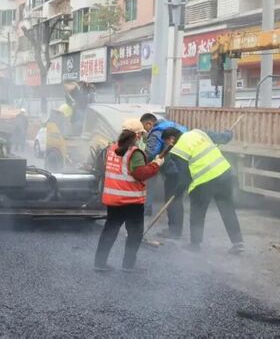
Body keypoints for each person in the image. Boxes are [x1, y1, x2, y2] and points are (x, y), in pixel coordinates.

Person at [94, 118, 163, 273]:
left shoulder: (111, 149)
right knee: (134, 234)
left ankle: (99, 263)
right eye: (141, 135)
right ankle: (128, 265)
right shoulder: (135, 153)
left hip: (113, 200)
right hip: (132, 201)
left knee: (109, 231)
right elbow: (140, 174)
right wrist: (156, 164)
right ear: (137, 136)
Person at [161, 127, 244, 254]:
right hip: (224, 173)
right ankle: (238, 243)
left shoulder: (177, 149)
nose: (168, 146)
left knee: (198, 212)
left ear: (171, 139)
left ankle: (195, 245)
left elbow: (184, 177)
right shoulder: (198, 133)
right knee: (227, 208)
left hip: (204, 180)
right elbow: (223, 138)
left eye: (167, 143)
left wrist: (177, 193)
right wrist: (228, 133)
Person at [140, 113, 188, 238]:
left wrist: (140, 159)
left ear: (149, 123)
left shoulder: (157, 132)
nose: (145, 131)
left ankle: (174, 231)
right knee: (177, 200)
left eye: (145, 127)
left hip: (172, 169)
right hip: (182, 167)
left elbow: (151, 152)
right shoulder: (173, 126)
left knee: (171, 199)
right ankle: (176, 230)